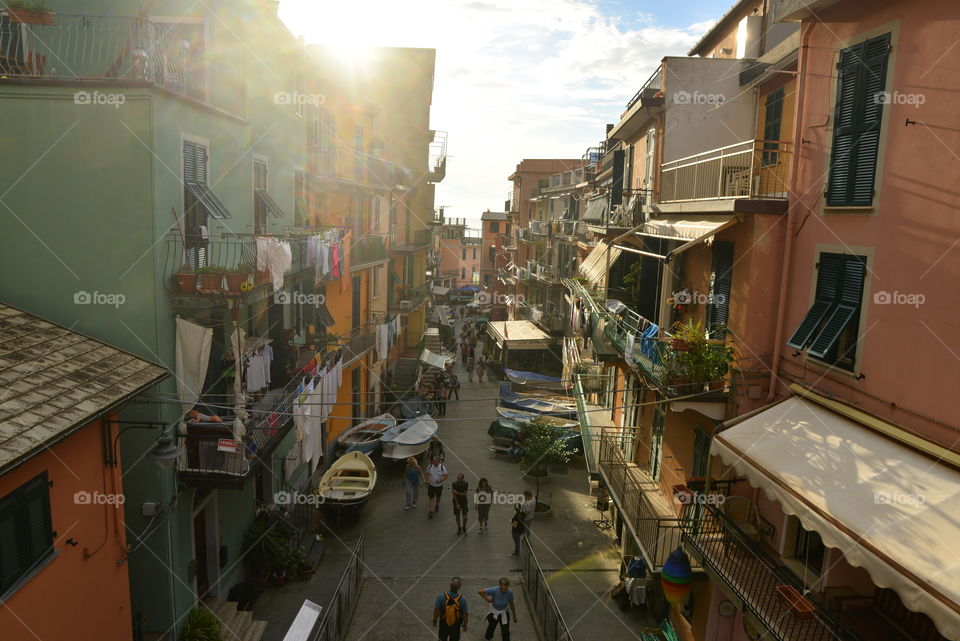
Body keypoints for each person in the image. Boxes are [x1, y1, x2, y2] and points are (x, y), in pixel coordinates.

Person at [434, 577, 469, 641]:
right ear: (459, 587)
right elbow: (465, 614)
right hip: (456, 625)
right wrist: (465, 625)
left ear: (450, 585)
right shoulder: (462, 599)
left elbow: (437, 610)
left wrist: (435, 620)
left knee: (442, 638)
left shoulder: (441, 596)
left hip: (443, 623)